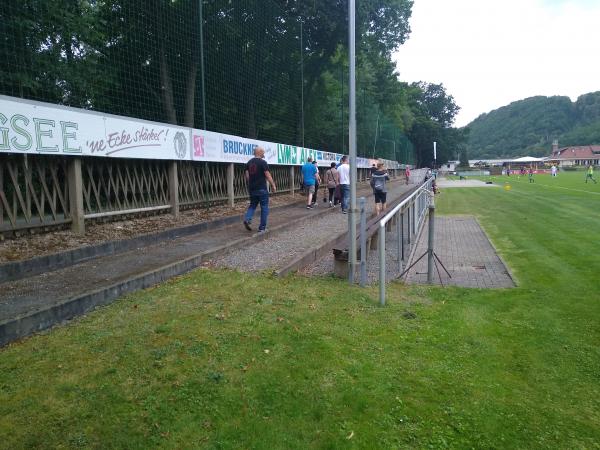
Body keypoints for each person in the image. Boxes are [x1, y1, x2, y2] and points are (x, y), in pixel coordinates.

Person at [243, 146, 276, 233]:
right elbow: (267, 175)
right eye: (263, 153)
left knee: (252, 205)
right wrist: (273, 185)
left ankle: (247, 219)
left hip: (252, 188)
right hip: (261, 188)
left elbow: (247, 176)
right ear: (260, 152)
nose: (264, 154)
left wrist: (251, 184)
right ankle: (262, 228)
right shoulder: (263, 162)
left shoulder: (249, 163)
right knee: (264, 208)